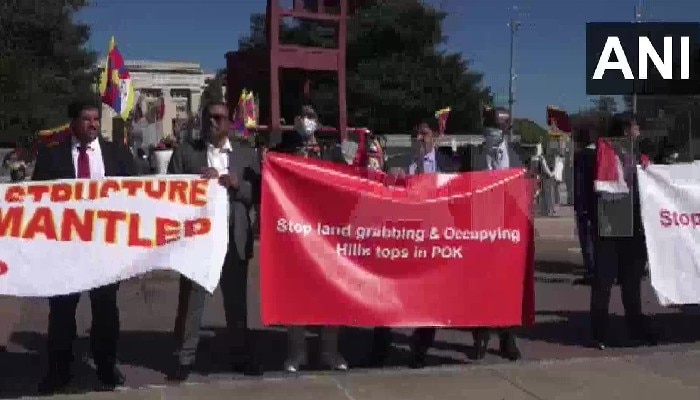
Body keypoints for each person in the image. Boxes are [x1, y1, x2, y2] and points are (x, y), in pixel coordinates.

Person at [32, 100, 136, 394]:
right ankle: (58, 370)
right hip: (66, 247)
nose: (93, 125)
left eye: (95, 119)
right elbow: (37, 198)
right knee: (62, 311)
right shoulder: (51, 156)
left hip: (105, 246)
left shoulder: (117, 154)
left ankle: (106, 366)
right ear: (73, 124)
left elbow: (139, 192)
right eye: (86, 119)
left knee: (106, 310)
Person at [167, 102, 262, 381]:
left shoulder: (246, 154)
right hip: (199, 241)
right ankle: (185, 359)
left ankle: (241, 355)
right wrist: (198, 183)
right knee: (192, 302)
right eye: (209, 118)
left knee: (236, 303)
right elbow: (171, 191)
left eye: (219, 118)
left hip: (234, 238)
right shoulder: (186, 152)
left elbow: (257, 192)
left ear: (230, 122)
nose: (213, 123)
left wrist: (235, 184)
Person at [365, 120, 457, 369]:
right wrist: (391, 180)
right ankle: (380, 347)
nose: (419, 138)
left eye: (424, 134)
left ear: (435, 138)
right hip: (403, 239)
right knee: (388, 293)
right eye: (416, 134)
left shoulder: (450, 165)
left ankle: (421, 348)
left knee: (430, 297)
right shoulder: (399, 163)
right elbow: (382, 191)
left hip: (435, 239)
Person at [272, 105, 348, 373]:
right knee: (296, 293)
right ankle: (297, 352)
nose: (307, 120)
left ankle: (330, 351)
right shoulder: (282, 151)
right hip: (295, 231)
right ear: (295, 121)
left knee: (330, 292)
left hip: (326, 233)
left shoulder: (330, 151)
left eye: (312, 116)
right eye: (302, 115)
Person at [589, 112, 658, 350]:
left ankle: (635, 327)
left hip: (634, 225)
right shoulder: (602, 152)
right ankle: (599, 332)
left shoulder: (637, 157)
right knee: (603, 281)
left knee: (632, 282)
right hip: (610, 222)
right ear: (626, 130)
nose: (639, 130)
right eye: (636, 126)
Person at [467, 106, 523, 362]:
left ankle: (507, 338)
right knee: (479, 287)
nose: (492, 133)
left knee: (507, 287)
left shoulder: (515, 157)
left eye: (497, 129)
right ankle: (480, 336)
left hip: (507, 232)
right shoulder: (473, 156)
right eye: (489, 128)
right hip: (479, 231)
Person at [572, 125, 598, 285]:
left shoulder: (581, 156)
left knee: (586, 237)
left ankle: (591, 271)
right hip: (599, 201)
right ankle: (599, 270)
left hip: (585, 203)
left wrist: (579, 204)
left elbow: (579, 182)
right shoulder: (600, 154)